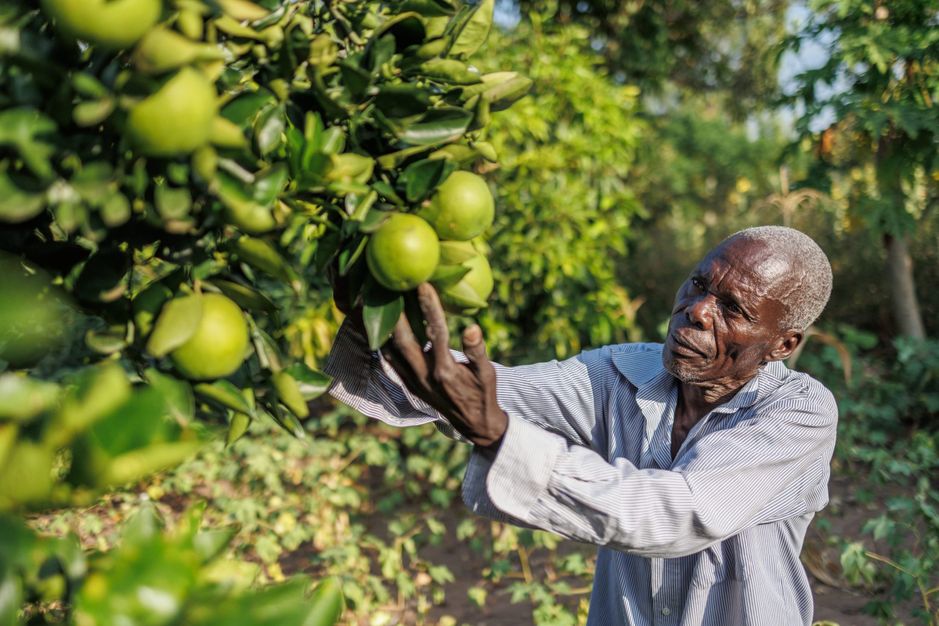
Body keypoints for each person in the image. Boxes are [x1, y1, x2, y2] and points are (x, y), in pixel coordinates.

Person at [325, 225, 838, 626]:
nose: (698, 311)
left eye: (733, 309)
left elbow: (679, 512)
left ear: (783, 344)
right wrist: (375, 323)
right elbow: (494, 393)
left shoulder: (798, 414)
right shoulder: (620, 374)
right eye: (699, 285)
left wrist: (498, 434)